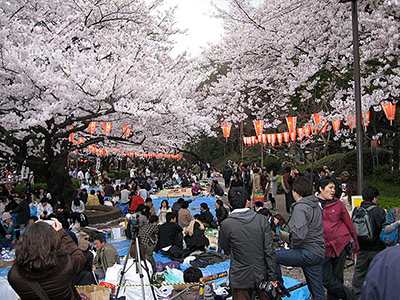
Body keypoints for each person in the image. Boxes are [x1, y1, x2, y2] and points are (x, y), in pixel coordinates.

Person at [219, 186, 277, 299]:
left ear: (230, 205)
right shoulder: (262, 220)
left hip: (240, 275)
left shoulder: (226, 224)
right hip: (261, 272)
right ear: (247, 202)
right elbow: (269, 251)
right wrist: (272, 277)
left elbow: (225, 248)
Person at [275, 176, 326, 300]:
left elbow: (299, 234)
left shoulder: (300, 207)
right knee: (317, 290)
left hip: (307, 252)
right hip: (318, 251)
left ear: (295, 192)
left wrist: (291, 243)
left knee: (272, 255)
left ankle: (279, 287)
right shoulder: (316, 204)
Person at [8, 219, 86, 299]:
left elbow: (19, 262)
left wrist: (34, 231)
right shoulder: (65, 266)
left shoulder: (15, 276)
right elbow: (79, 255)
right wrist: (61, 232)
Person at [317, 177, 359, 300]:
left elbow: (349, 224)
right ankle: (351, 297)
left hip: (340, 244)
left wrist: (356, 244)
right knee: (326, 279)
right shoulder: (313, 204)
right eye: (330, 188)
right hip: (323, 247)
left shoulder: (338, 203)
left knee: (338, 277)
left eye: (334, 188)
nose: (333, 191)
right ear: (321, 188)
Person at [351, 186, 386, 298]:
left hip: (361, 247)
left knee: (359, 272)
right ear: (374, 198)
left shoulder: (357, 210)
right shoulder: (379, 211)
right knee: (378, 272)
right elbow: (384, 229)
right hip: (377, 248)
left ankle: (357, 294)